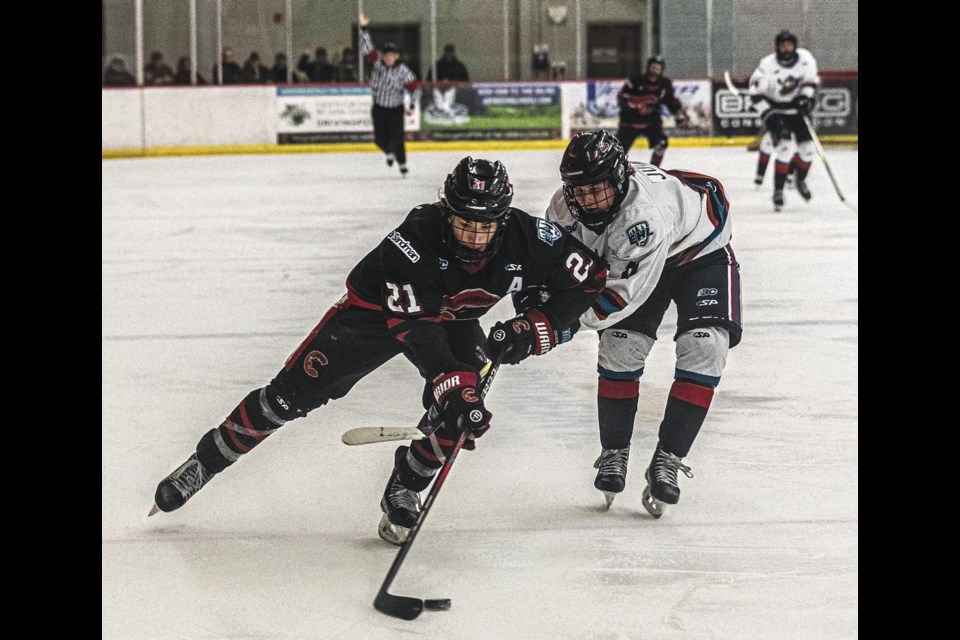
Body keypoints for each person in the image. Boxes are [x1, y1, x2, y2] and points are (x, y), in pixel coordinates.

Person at [150, 157, 608, 547]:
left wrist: (540, 325)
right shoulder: (414, 239)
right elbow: (415, 328)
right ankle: (204, 463)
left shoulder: (530, 237)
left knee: (460, 416)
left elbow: (590, 277)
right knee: (285, 399)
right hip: (372, 318)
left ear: (503, 219)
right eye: (463, 222)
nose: (473, 236)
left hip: (453, 319)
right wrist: (451, 380)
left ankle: (404, 490)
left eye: (484, 225)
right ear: (446, 212)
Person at [544, 130, 742, 518]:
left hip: (700, 250)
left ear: (619, 179)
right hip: (643, 254)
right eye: (578, 190)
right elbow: (549, 264)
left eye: (597, 189)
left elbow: (619, 297)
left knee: (705, 347)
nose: (586, 200)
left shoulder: (642, 217)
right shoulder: (562, 209)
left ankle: (668, 457)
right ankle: (614, 451)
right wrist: (537, 301)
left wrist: (559, 323)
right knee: (619, 346)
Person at [748, 30, 820, 211]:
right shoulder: (767, 65)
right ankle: (778, 191)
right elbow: (755, 93)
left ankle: (800, 179)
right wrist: (768, 116)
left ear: (794, 46)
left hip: (796, 112)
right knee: (785, 149)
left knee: (808, 150)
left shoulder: (805, 59)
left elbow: (809, 83)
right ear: (777, 47)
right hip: (777, 112)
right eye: (783, 45)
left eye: (789, 44)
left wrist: (805, 98)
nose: (786, 48)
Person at [358, 11, 421, 176]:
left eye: (392, 55)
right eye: (386, 55)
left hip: (395, 109)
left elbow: (415, 88)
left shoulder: (403, 71)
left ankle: (402, 163)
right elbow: (367, 48)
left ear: (397, 56)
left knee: (397, 137)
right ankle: (388, 152)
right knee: (379, 138)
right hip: (379, 107)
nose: (388, 58)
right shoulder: (378, 63)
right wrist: (364, 28)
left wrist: (412, 105)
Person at [615, 56, 688, 167]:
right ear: (648, 67)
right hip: (630, 122)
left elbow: (670, 102)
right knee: (617, 151)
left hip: (651, 122)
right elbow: (622, 98)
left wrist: (679, 117)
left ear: (662, 69)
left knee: (662, 142)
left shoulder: (665, 84)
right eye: (653, 67)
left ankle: (654, 168)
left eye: (658, 68)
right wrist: (633, 104)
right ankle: (612, 172)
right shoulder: (635, 80)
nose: (655, 70)